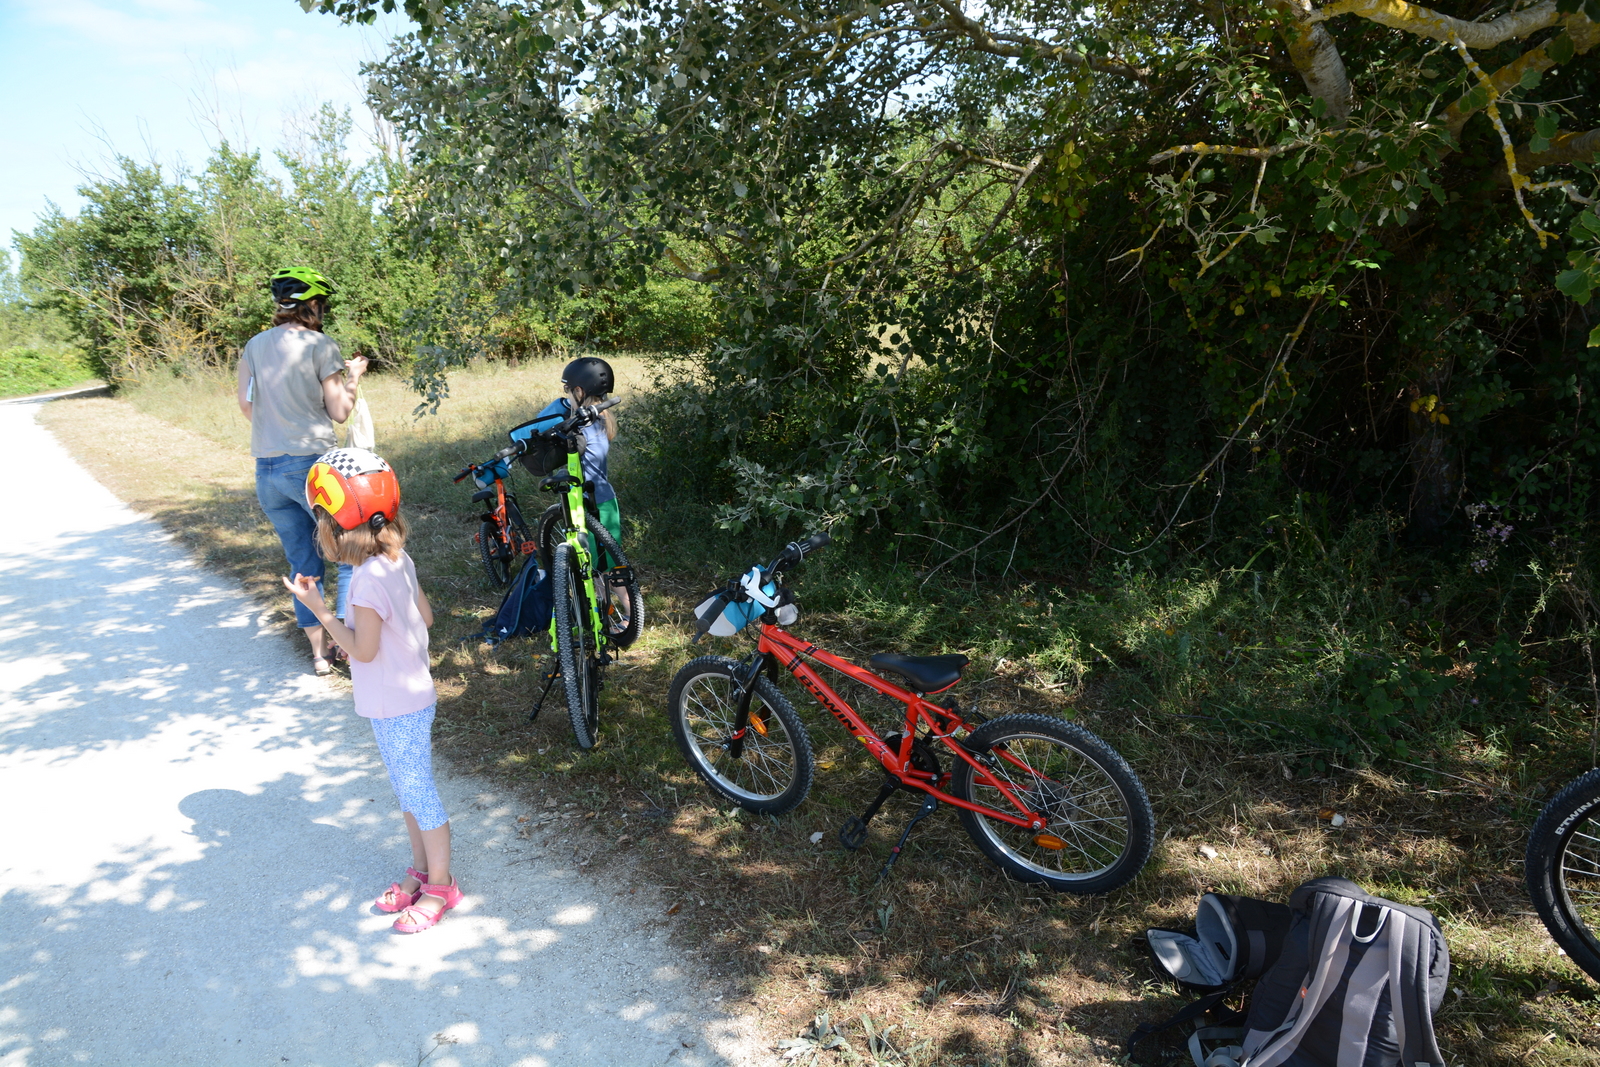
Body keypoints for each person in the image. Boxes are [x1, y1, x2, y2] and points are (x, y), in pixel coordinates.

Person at [282, 447, 461, 934]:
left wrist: (320, 610)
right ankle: (421, 872)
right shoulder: (397, 558)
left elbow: (361, 651)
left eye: (320, 522)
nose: (319, 532)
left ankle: (442, 886)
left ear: (337, 527)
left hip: (395, 704)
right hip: (409, 696)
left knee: (418, 792)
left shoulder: (362, 583)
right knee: (407, 789)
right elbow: (425, 617)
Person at [237, 266, 365, 675]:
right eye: (321, 303)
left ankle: (319, 654)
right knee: (348, 552)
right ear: (313, 305)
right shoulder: (320, 344)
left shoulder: (254, 345)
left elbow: (246, 405)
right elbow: (339, 411)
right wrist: (353, 378)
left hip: (267, 470)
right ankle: (348, 643)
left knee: (303, 562)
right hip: (310, 467)